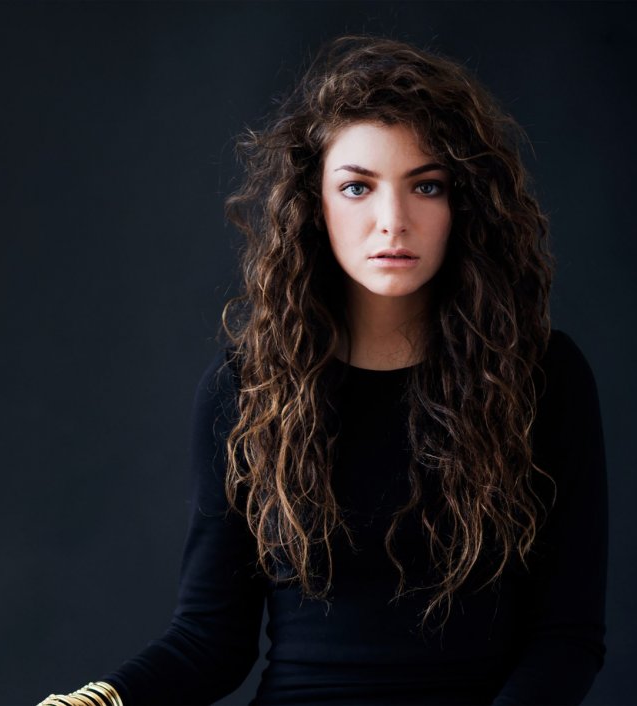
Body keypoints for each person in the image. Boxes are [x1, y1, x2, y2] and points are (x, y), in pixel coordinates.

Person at [37, 35, 607, 706]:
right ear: (314, 203)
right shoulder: (245, 390)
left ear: (464, 204)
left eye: (426, 186)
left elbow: (566, 638)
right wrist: (94, 701)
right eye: (357, 188)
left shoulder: (542, 378)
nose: (392, 222)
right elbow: (209, 641)